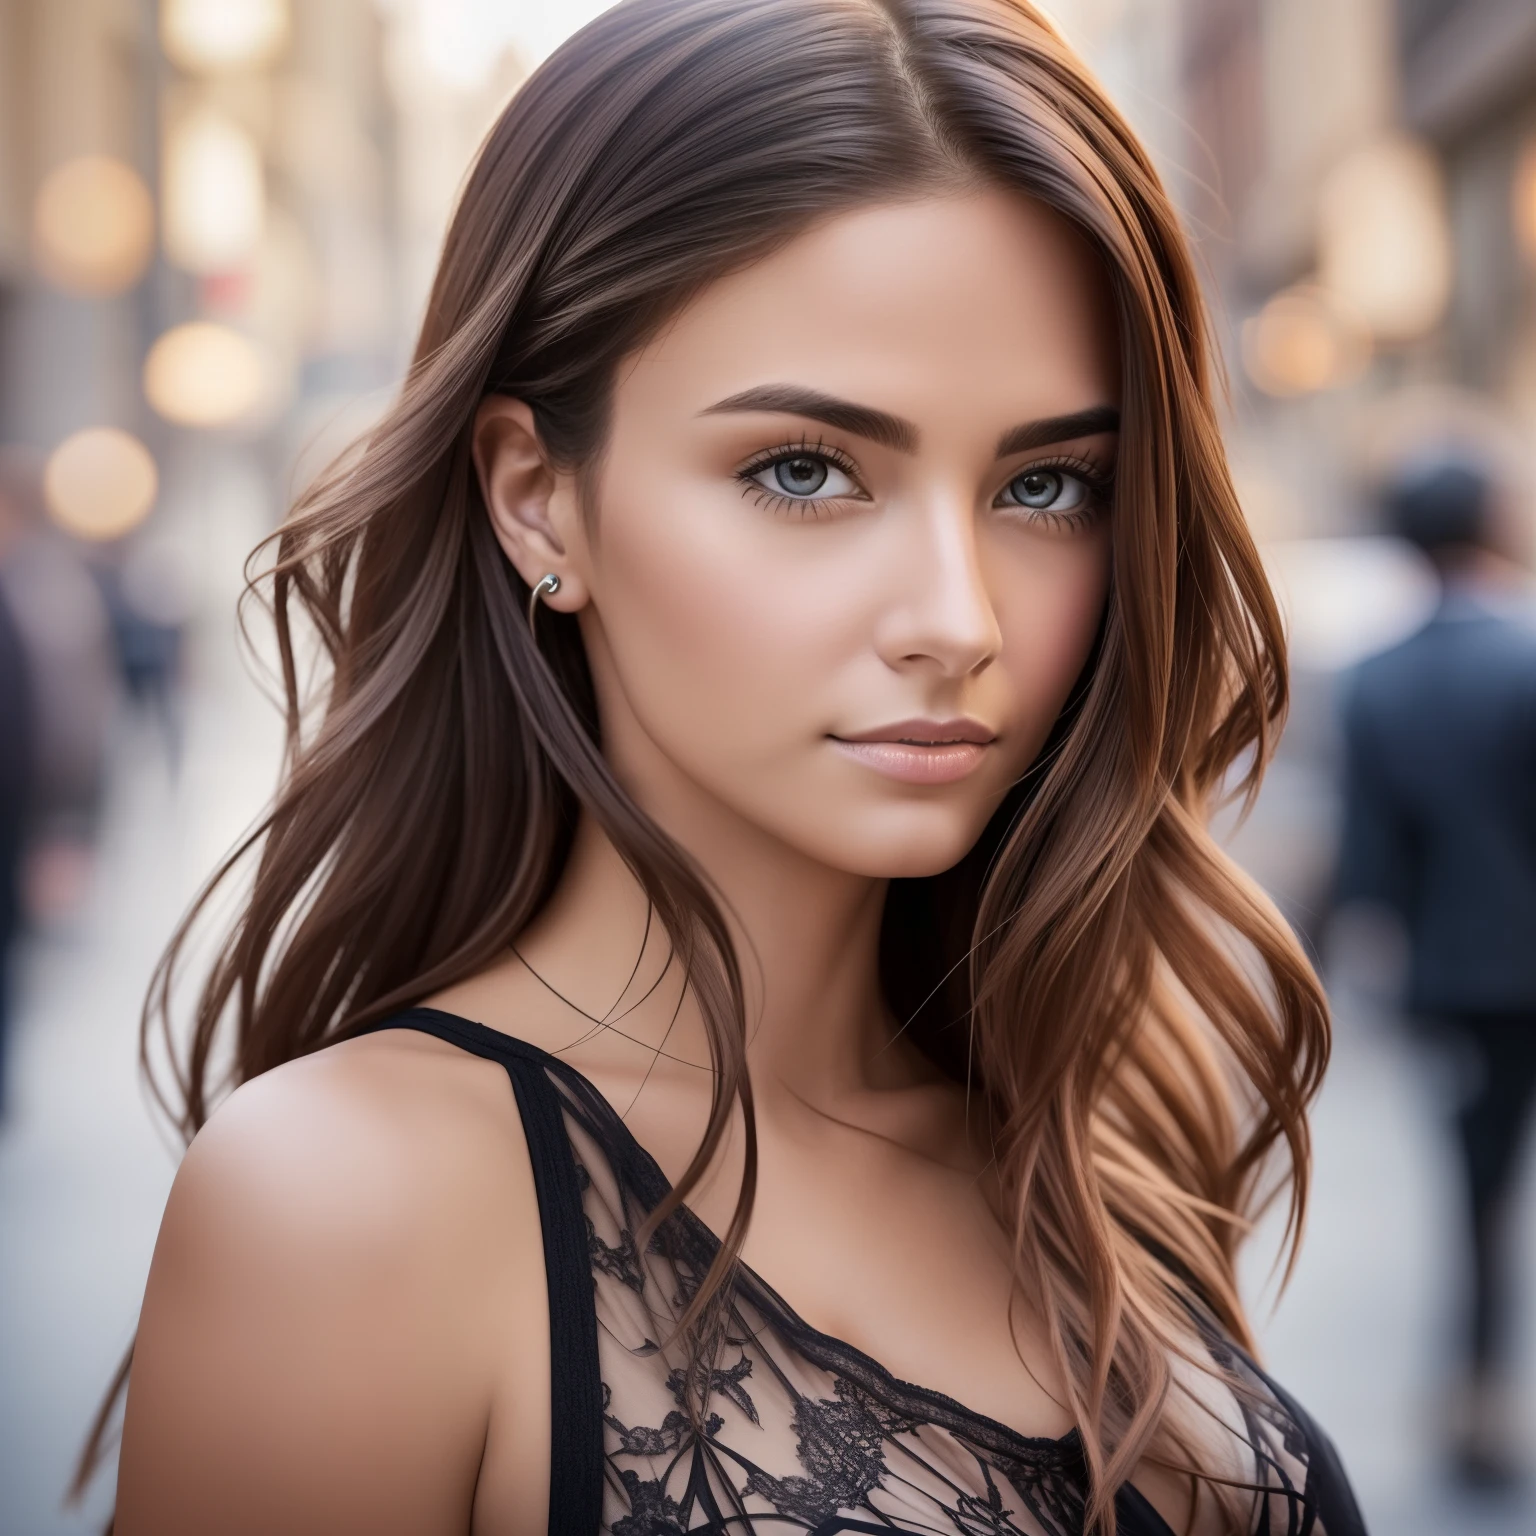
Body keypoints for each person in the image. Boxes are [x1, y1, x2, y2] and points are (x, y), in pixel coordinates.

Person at [90, 2, 1363, 1531]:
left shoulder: (1090, 1121)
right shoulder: (349, 1206)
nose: (960, 623)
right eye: (805, 472)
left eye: (1046, 484)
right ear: (538, 499)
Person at [1335, 451, 1536, 1489]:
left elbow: (1368, 863)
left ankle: (1474, 1407)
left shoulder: (1377, 677)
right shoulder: (1529, 654)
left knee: (1479, 1202)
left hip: (1457, 980)